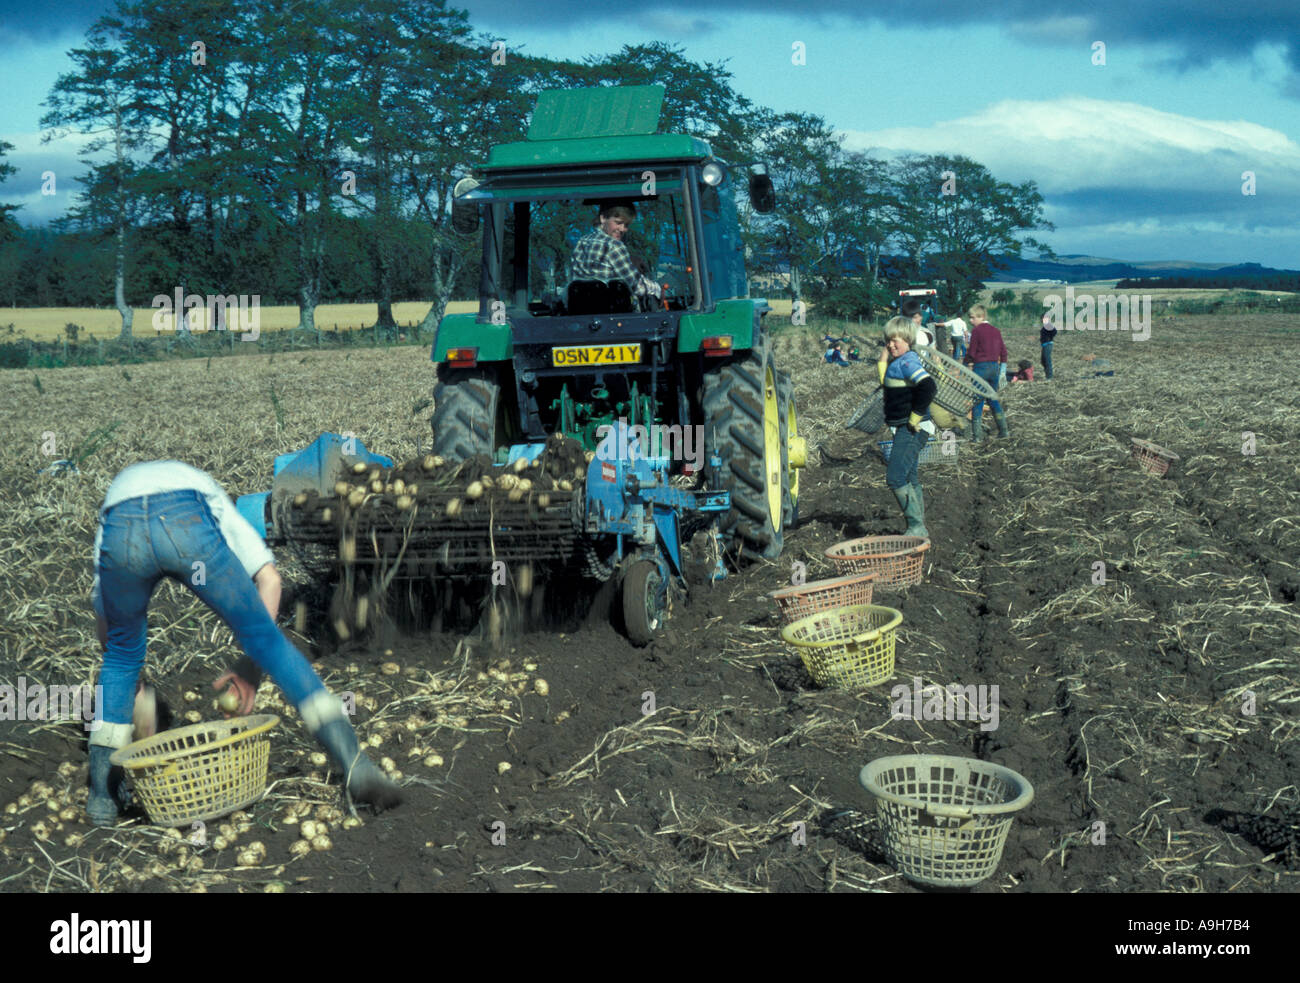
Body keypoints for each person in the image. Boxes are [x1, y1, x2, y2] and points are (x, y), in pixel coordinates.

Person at [88, 461, 402, 826]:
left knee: (121, 659)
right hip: (184, 515)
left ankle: (101, 797)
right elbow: (269, 578)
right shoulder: (206, 489)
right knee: (268, 641)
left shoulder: (112, 503)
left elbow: (104, 614)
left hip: (122, 523)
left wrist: (131, 682)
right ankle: (355, 766)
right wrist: (253, 664)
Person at [877, 316, 941, 538]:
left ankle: (915, 526)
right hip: (908, 427)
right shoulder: (902, 360)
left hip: (913, 428)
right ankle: (919, 526)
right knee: (910, 476)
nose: (891, 345)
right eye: (888, 340)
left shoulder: (906, 362)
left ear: (908, 340)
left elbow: (928, 386)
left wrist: (915, 417)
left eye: (896, 340)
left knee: (895, 477)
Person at [569, 202, 662, 306]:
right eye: (618, 223)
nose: (623, 229)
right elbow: (637, 286)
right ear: (603, 218)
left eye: (626, 225)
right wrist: (657, 289)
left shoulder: (581, 242)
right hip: (611, 311)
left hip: (580, 309)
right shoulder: (614, 246)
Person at [962, 304, 1010, 440]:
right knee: (993, 399)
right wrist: (1003, 370)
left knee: (978, 400)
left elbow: (971, 352)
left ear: (981, 317)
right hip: (994, 368)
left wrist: (965, 364)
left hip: (981, 369)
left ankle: (977, 436)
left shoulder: (977, 331)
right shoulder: (996, 330)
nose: (970, 321)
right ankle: (1004, 430)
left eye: (973, 318)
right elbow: (1004, 352)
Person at [1040, 311, 1057, 380]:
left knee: (1047, 360)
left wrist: (1049, 338)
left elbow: (1054, 331)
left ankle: (1049, 376)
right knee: (1043, 360)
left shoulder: (1048, 325)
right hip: (1045, 345)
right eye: (1041, 318)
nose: (1042, 320)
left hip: (1048, 344)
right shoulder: (1046, 325)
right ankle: (1048, 374)